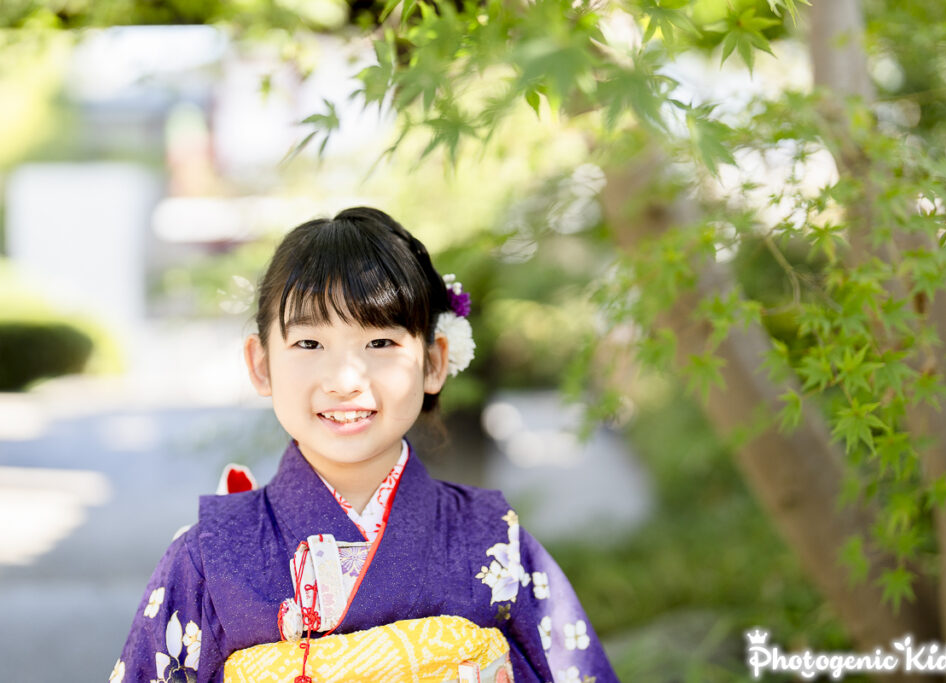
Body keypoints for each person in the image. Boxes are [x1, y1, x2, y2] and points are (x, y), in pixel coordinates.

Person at [112, 207, 619, 683]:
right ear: (261, 364)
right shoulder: (208, 556)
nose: (345, 379)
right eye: (309, 344)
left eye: (381, 343)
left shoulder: (494, 542)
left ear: (434, 362)